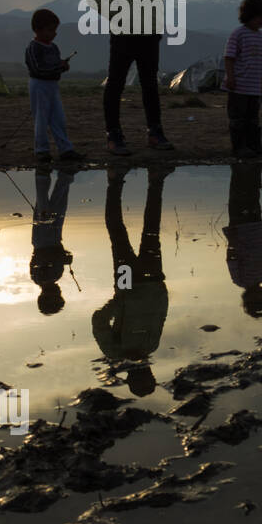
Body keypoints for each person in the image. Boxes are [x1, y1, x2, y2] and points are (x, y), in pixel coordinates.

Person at [87, 0, 173, 155]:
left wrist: (157, 16)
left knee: (150, 85)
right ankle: (114, 136)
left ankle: (155, 133)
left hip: (149, 33)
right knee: (115, 84)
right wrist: (115, 15)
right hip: (124, 34)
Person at [92, 165, 170, 396]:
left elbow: (99, 321)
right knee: (151, 230)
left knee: (117, 232)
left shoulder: (115, 352)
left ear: (133, 377)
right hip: (153, 279)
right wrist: (162, 290)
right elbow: (160, 314)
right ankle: (156, 179)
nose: (148, 373)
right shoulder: (151, 347)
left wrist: (121, 300)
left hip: (127, 284)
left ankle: (114, 182)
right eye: (150, 377)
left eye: (144, 377)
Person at [25, 9, 81, 162]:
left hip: (52, 86)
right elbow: (37, 69)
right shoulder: (33, 48)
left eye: (54, 30)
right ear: (38, 29)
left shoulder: (54, 47)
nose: (54, 34)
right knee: (41, 119)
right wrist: (58, 67)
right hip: (39, 86)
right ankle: (41, 150)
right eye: (50, 30)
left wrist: (62, 66)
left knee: (59, 118)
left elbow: (54, 66)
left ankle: (65, 149)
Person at [223, 161, 262, 317]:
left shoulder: (240, 280)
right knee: (252, 197)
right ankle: (251, 170)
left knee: (238, 197)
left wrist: (232, 240)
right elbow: (261, 252)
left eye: (257, 300)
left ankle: (238, 169)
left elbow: (231, 260)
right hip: (254, 228)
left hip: (239, 230)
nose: (260, 296)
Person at [224, 0, 262, 157]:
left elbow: (260, 61)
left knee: (253, 119)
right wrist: (230, 78)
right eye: (260, 16)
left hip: (253, 88)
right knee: (238, 119)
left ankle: (254, 145)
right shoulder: (238, 34)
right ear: (250, 15)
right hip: (239, 86)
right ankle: (239, 147)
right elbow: (229, 58)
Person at [29, 165, 76, 315]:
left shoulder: (51, 277)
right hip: (41, 241)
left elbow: (44, 257)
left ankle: (62, 176)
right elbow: (37, 260)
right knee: (50, 206)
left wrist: (64, 258)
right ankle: (51, 176)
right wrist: (63, 257)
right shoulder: (37, 278)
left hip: (46, 241)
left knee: (55, 206)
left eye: (59, 294)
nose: (60, 291)